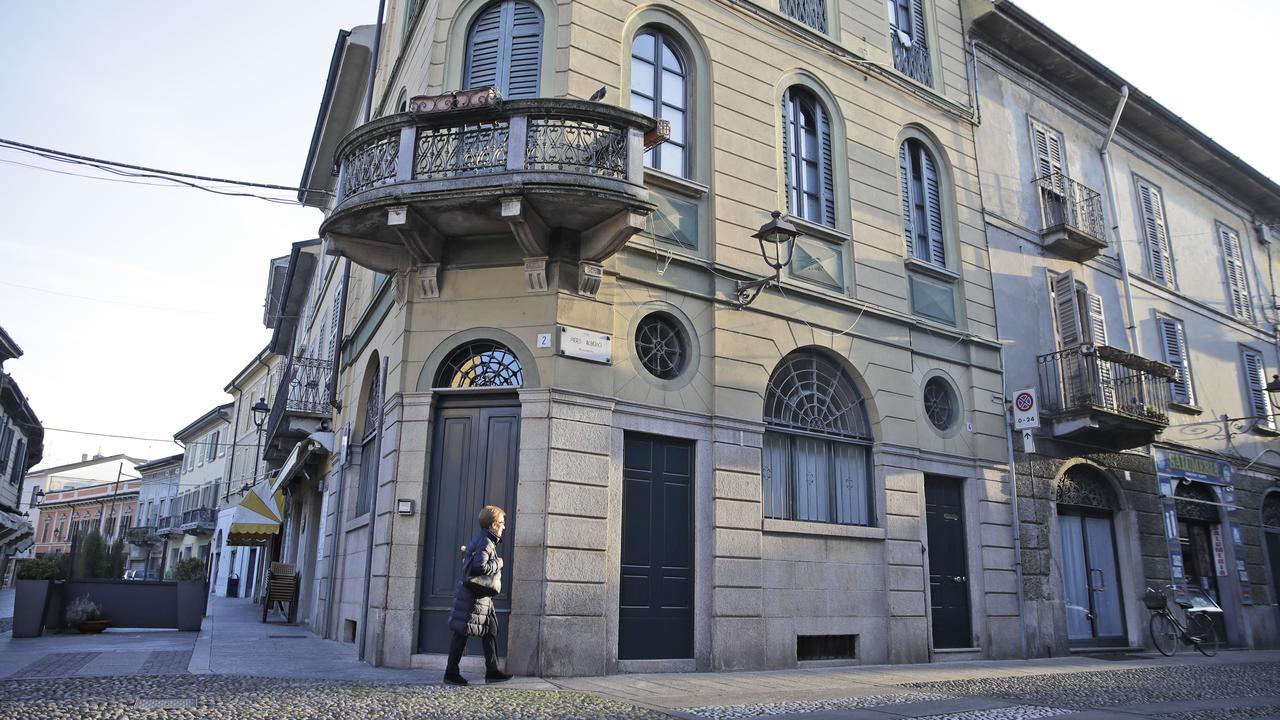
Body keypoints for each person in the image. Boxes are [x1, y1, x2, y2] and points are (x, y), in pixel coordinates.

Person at [443, 504, 513, 686]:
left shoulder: (485, 539)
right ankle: (451, 673)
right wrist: (499, 563)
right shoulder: (486, 542)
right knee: (461, 633)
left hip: (481, 597)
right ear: (493, 525)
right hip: (472, 596)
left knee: (490, 630)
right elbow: (479, 567)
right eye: (502, 523)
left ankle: (492, 671)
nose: (504, 526)